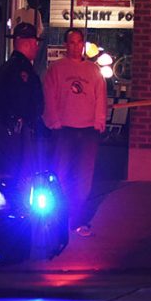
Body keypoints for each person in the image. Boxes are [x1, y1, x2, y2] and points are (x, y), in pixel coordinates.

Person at [43, 28, 107, 237]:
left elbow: (100, 97)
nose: (76, 46)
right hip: (64, 130)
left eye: (79, 42)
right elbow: (49, 96)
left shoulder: (93, 70)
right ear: (65, 45)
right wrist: (53, 120)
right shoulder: (57, 69)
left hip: (88, 130)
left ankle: (78, 219)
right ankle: (57, 218)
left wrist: (99, 121)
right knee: (60, 174)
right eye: (71, 42)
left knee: (83, 178)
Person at [0, 22, 44, 180]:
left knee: (14, 169)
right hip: (16, 131)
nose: (36, 47)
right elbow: (18, 101)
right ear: (28, 43)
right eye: (35, 43)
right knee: (17, 172)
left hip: (15, 130)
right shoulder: (20, 70)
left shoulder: (10, 67)